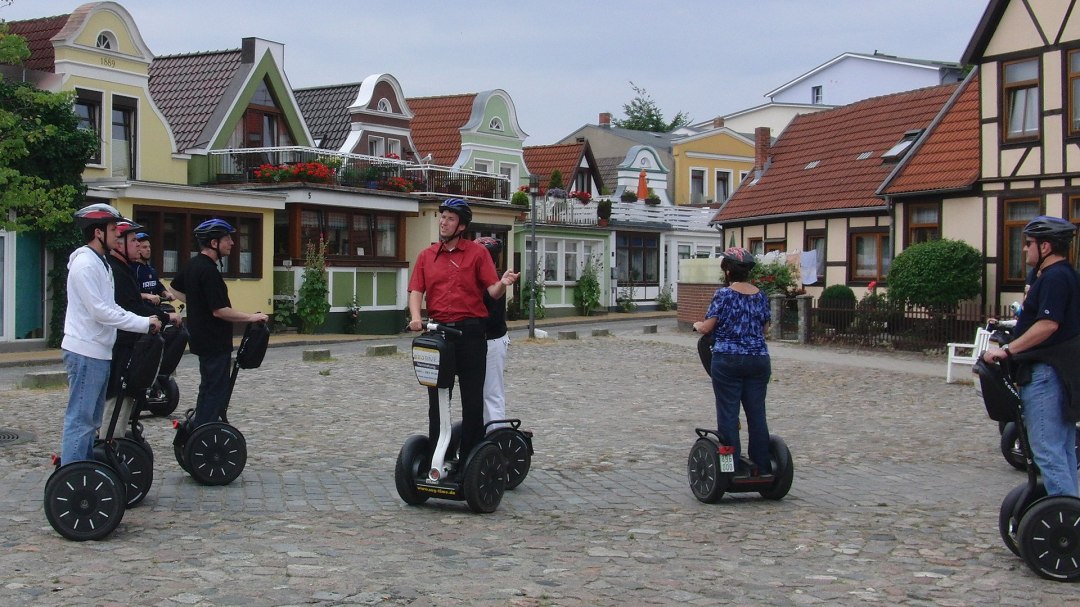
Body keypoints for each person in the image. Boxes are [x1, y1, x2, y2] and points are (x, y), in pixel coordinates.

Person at [407, 199, 519, 460]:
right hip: (438, 334)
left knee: (472, 400)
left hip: (470, 335)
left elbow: (492, 291)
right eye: (442, 217)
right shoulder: (426, 256)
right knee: (437, 401)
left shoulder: (477, 254)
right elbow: (416, 290)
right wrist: (416, 317)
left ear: (461, 226)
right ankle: (438, 455)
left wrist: (503, 283)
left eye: (450, 218)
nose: (444, 222)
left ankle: (470, 456)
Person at [983, 216, 1080, 497]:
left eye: (1029, 243)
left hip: (1046, 373)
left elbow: (1048, 325)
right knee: (1062, 449)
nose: (1025, 249)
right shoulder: (1061, 275)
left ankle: (1065, 517)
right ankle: (1069, 507)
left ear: (1045, 247)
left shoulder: (1055, 277)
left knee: (1047, 450)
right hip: (1058, 372)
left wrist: (1007, 350)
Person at [60, 204, 162, 464]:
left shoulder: (101, 264)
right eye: (114, 229)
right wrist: (142, 323)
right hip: (85, 350)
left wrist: (144, 320)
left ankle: (84, 469)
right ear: (98, 233)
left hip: (100, 350)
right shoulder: (85, 265)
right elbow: (100, 311)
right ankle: (73, 472)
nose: (118, 233)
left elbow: (112, 306)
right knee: (81, 420)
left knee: (92, 420)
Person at [170, 219, 268, 427]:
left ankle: (199, 428)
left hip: (200, 337)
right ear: (214, 243)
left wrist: (196, 303)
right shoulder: (209, 271)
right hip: (213, 340)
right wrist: (250, 317)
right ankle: (205, 430)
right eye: (227, 239)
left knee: (208, 386)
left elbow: (174, 289)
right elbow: (220, 311)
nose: (232, 243)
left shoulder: (194, 264)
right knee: (216, 389)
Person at [692, 247, 773, 476]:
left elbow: (708, 327)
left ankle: (731, 468)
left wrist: (698, 325)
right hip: (758, 360)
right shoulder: (760, 295)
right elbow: (765, 328)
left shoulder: (724, 295)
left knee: (728, 413)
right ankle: (763, 466)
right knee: (757, 414)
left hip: (728, 360)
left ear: (727, 271)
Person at [105, 220, 179, 398]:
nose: (138, 245)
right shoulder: (116, 270)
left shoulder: (131, 269)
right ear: (119, 245)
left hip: (130, 337)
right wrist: (164, 317)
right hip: (119, 341)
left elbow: (142, 297)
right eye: (133, 240)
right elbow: (131, 305)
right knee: (116, 397)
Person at [476, 236, 510, 430]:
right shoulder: (477, 278)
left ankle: (496, 434)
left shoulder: (494, 279)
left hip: (492, 340)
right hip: (477, 341)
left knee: (492, 391)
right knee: (477, 392)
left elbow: (492, 318)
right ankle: (480, 431)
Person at [132, 231, 173, 306]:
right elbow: (131, 293)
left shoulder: (151, 270)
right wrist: (147, 296)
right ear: (137, 249)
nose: (148, 249)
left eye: (149, 247)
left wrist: (166, 293)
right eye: (144, 247)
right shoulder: (132, 270)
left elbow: (158, 286)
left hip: (154, 308)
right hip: (139, 309)